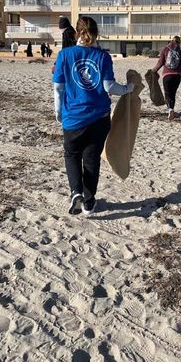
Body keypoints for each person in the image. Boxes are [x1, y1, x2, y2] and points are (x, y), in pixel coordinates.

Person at [52, 15, 134, 217]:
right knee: (91, 159)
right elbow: (110, 87)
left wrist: (58, 112)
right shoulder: (103, 57)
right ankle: (89, 203)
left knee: (71, 155)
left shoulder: (65, 55)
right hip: (99, 118)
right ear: (97, 33)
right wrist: (128, 88)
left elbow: (58, 88)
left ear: (76, 33)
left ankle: (75, 192)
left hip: (73, 117)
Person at [152, 35, 181, 121]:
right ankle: (171, 109)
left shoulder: (165, 49)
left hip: (167, 75)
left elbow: (160, 62)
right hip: (177, 76)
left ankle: (170, 109)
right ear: (179, 42)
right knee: (173, 94)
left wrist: (153, 71)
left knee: (167, 93)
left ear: (171, 41)